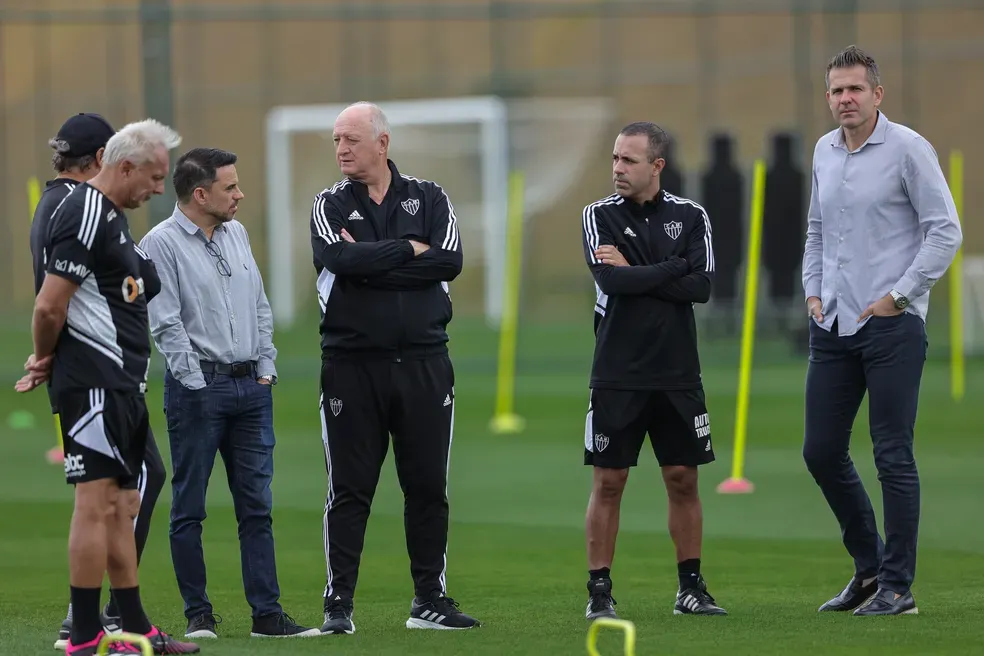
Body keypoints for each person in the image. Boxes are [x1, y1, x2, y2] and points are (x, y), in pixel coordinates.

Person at [22, 118, 199, 655]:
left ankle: (134, 629)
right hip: (93, 384)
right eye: (155, 176)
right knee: (95, 505)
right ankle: (82, 634)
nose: (159, 188)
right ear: (123, 166)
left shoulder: (109, 215)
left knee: (123, 505)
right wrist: (44, 357)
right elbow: (49, 305)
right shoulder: (82, 209)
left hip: (121, 385)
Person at [801, 45, 962, 616]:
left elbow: (945, 231)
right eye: (837, 90)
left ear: (877, 94)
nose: (846, 99)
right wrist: (812, 291)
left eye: (855, 89)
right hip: (832, 324)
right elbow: (817, 231)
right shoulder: (823, 150)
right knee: (821, 452)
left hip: (892, 325)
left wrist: (899, 297)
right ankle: (869, 570)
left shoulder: (908, 148)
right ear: (828, 97)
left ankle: (898, 587)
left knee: (892, 455)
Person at [310, 101, 479, 633]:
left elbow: (449, 261)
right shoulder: (329, 204)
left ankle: (429, 600)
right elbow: (339, 260)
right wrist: (409, 249)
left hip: (425, 364)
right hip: (352, 367)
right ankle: (338, 604)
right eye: (336, 140)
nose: (341, 150)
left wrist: (371, 261)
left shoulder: (429, 196)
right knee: (349, 490)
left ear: (382, 143)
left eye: (351, 140)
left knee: (427, 487)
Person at [139, 147, 319, 639]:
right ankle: (198, 615)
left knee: (257, 507)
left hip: (251, 388)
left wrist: (266, 369)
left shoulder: (236, 233)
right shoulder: (159, 244)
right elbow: (166, 323)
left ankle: (267, 616)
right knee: (189, 507)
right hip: (198, 389)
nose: (240, 194)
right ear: (200, 194)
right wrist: (196, 382)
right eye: (230, 187)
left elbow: (259, 304)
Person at [579, 121, 727, 619]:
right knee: (609, 481)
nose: (618, 168)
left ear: (657, 165)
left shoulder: (691, 216)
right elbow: (611, 281)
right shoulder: (598, 215)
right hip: (618, 372)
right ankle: (600, 592)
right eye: (615, 158)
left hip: (678, 372)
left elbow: (701, 288)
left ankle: (691, 589)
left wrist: (637, 269)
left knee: (683, 478)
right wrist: (672, 267)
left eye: (629, 160)